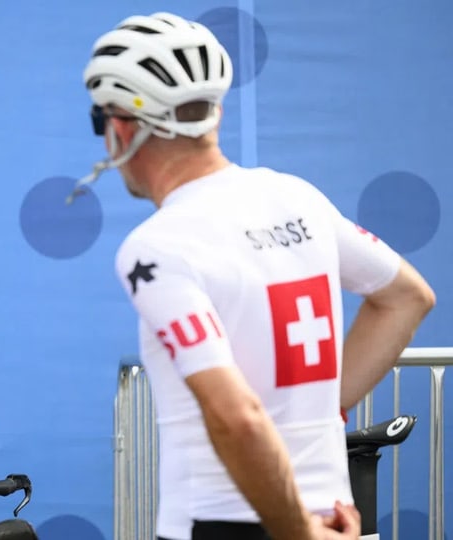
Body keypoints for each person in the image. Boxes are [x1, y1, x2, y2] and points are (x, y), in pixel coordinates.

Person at [73, 12, 436, 540]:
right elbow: (408, 299)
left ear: (121, 128)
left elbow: (237, 416)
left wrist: (298, 533)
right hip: (331, 511)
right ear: (214, 114)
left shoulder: (158, 246)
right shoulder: (298, 197)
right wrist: (324, 412)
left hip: (229, 521)